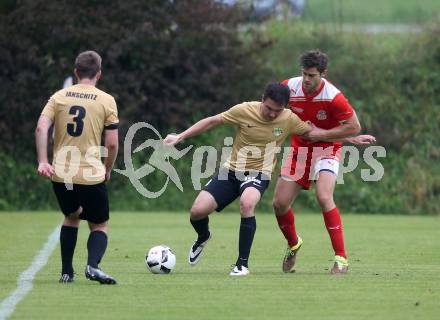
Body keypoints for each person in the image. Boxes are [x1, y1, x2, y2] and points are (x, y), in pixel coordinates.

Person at [164, 82, 325, 276]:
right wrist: (180, 137)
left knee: (247, 203)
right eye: (269, 108)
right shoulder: (243, 110)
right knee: (197, 212)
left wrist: (349, 137)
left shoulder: (289, 119)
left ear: (285, 107)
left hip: (260, 173)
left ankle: (242, 264)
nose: (273, 114)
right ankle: (203, 236)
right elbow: (212, 121)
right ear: (262, 98)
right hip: (231, 171)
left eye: (278, 110)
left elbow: (313, 134)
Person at [273, 50, 376, 274]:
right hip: (299, 149)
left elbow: (354, 125)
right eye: (304, 74)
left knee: (323, 196)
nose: (307, 80)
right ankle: (293, 244)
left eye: (312, 75)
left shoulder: (333, 96)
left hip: (327, 148)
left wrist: (323, 135)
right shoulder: (289, 87)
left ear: (323, 74)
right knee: (279, 204)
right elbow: (275, 112)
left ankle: (341, 259)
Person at [35, 50, 119, 284]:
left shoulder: (59, 97)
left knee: (71, 217)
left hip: (61, 173)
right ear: (98, 74)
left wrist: (43, 161)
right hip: (91, 174)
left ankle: (66, 272)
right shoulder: (106, 100)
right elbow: (111, 144)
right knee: (99, 225)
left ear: (76, 72)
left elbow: (41, 128)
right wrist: (108, 168)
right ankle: (92, 266)